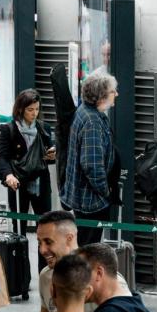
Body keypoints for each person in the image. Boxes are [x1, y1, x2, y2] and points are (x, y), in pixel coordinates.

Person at [35, 210, 130, 312]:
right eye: (39, 243)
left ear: (69, 238)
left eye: (48, 242)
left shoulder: (106, 280)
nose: (42, 250)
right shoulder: (46, 276)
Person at [61, 71, 119, 248]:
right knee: (88, 250)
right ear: (101, 96)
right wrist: (106, 191)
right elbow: (91, 166)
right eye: (113, 91)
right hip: (90, 201)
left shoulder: (86, 112)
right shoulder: (92, 121)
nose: (116, 94)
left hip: (84, 197)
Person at [0, 89, 55, 236]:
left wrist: (53, 155)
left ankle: (45, 259)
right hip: (18, 183)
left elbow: (51, 156)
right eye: (30, 110)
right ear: (21, 109)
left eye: (37, 109)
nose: (34, 113)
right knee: (19, 229)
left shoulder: (44, 128)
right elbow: (2, 157)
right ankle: (21, 259)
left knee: (45, 228)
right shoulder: (9, 130)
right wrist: (8, 175)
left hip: (40, 183)